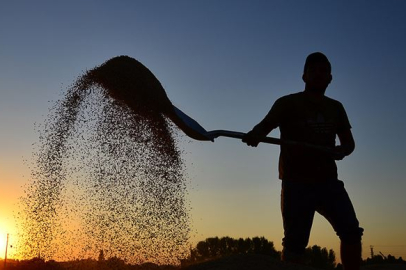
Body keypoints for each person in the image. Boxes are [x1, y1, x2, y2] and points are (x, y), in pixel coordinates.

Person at [242, 52, 364, 270]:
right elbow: (264, 126)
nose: (318, 74)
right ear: (304, 76)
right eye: (313, 70)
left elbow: (349, 143)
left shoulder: (336, 108)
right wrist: (255, 135)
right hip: (296, 183)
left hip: (328, 181)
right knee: (295, 245)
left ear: (330, 78)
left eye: (323, 71)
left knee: (351, 232)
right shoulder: (287, 103)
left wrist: (342, 150)